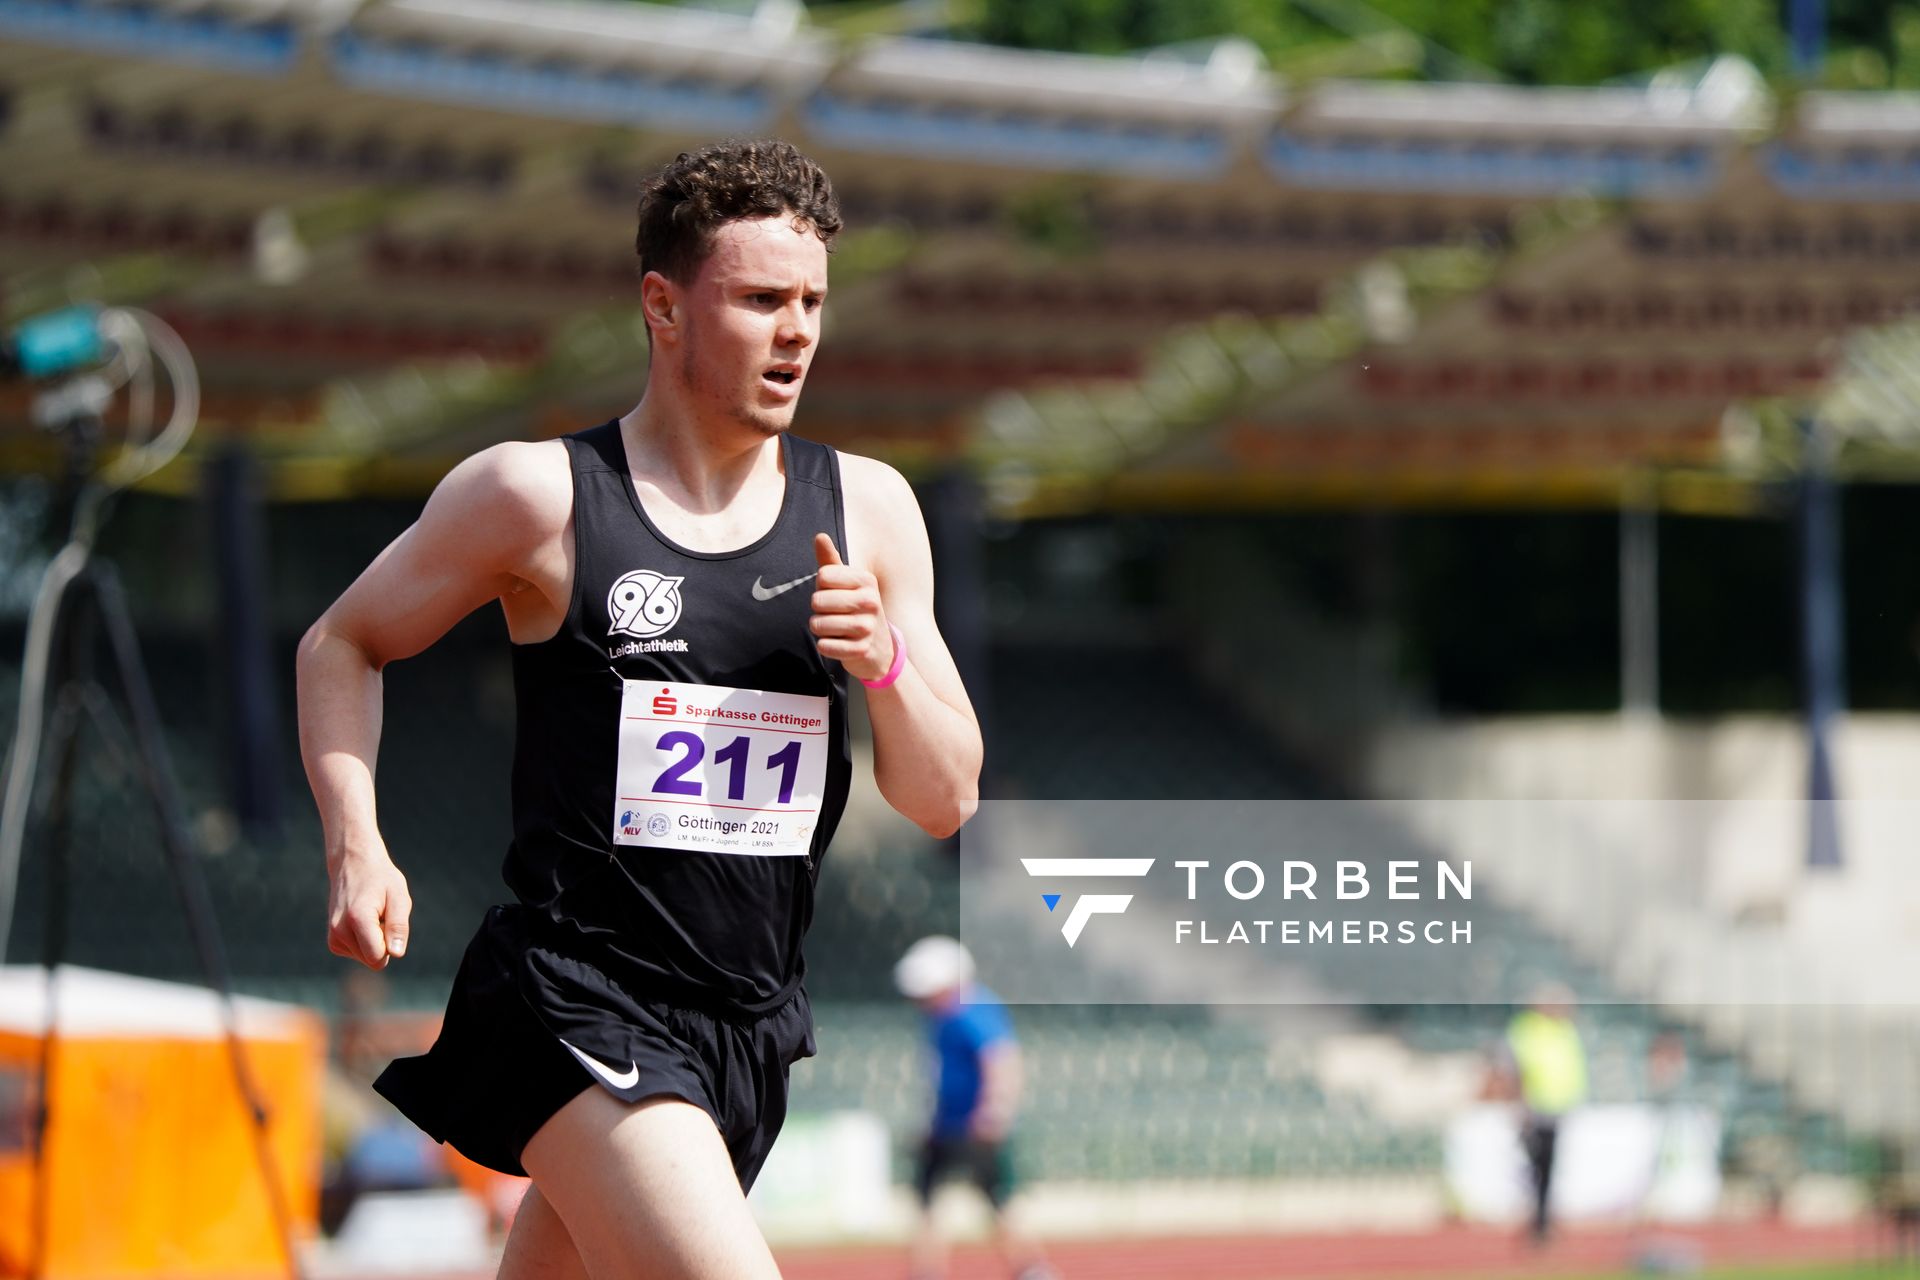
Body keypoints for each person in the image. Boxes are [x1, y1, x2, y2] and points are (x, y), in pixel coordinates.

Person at [297, 139, 982, 1280]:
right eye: (761, 299)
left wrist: (887, 663)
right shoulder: (539, 495)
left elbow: (945, 795)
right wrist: (355, 841)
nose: (799, 329)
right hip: (575, 994)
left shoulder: (868, 507)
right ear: (663, 308)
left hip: (750, 1020)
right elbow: (344, 640)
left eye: (812, 300)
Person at [893, 936, 1057, 1280]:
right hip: (945, 1125)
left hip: (973, 1127)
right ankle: (926, 1273)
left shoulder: (972, 1012)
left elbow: (1001, 1061)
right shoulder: (940, 1017)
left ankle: (1031, 1269)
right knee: (928, 1203)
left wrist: (994, 1113)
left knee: (999, 1203)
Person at [1499, 982, 1588, 1245]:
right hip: (1535, 1110)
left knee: (1547, 1170)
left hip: (1556, 1110)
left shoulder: (1564, 1031)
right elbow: (1516, 1070)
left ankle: (1542, 1221)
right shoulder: (1526, 1030)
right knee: (1536, 1168)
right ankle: (1538, 1223)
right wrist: (1520, 1105)